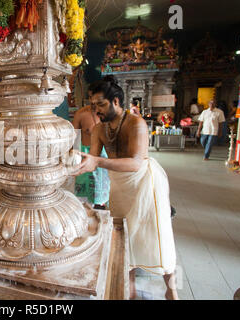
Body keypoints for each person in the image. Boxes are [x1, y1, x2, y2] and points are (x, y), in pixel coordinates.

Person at [72, 75, 179, 300]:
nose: (96, 110)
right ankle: (128, 291)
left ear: (116, 102)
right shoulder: (100, 129)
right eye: (93, 105)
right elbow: (92, 158)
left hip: (145, 182)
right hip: (119, 185)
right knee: (121, 235)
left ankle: (171, 290)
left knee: (156, 235)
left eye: (101, 104)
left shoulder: (135, 123)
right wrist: (77, 164)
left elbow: (136, 162)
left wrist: (97, 162)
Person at [72, 81, 110, 210]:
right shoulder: (81, 114)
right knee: (82, 199)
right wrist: (74, 160)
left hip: (103, 155)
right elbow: (74, 140)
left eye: (97, 100)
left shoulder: (108, 115)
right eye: (90, 98)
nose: (92, 103)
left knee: (101, 195)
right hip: (84, 154)